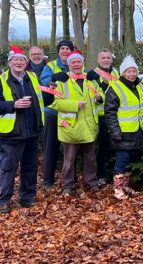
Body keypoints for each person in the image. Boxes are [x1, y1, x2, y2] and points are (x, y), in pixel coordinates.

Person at [0, 45, 54, 213]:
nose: (18, 62)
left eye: (21, 60)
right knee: (8, 168)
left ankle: (27, 198)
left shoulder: (32, 77)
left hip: (32, 130)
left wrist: (50, 92)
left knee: (30, 167)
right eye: (15, 60)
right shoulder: (2, 80)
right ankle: (4, 201)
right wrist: (13, 105)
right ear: (9, 63)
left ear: (25, 62)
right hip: (11, 134)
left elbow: (42, 100)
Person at [50, 50, 103, 196]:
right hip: (71, 128)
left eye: (79, 62)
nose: (76, 64)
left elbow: (100, 94)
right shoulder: (61, 81)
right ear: (68, 64)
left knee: (91, 158)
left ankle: (92, 183)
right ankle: (67, 185)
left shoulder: (90, 79)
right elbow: (55, 103)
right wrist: (75, 105)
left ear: (83, 63)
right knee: (69, 160)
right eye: (73, 62)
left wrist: (99, 97)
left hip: (89, 127)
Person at [105, 55, 143, 200]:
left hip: (136, 130)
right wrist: (115, 132)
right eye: (129, 71)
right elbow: (110, 112)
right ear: (123, 73)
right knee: (123, 158)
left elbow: (141, 101)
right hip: (122, 132)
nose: (132, 74)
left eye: (134, 71)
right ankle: (117, 188)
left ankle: (126, 185)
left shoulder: (139, 86)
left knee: (131, 158)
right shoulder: (115, 87)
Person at [40, 40, 75, 190]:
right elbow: (43, 82)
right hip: (53, 112)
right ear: (58, 51)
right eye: (62, 48)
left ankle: (70, 180)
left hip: (70, 113)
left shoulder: (76, 63)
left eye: (68, 48)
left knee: (71, 148)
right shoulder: (51, 66)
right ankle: (48, 181)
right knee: (50, 147)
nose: (65, 51)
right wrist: (53, 79)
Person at [95, 49, 120, 186]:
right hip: (101, 116)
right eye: (103, 58)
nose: (106, 60)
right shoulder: (93, 74)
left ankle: (114, 175)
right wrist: (103, 85)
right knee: (103, 147)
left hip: (115, 115)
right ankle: (101, 176)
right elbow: (92, 91)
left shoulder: (116, 73)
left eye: (108, 58)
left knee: (114, 147)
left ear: (112, 59)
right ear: (98, 60)